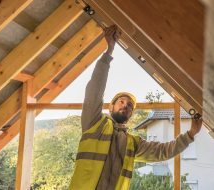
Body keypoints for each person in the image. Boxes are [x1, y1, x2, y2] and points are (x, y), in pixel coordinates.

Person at [69, 25, 202, 190]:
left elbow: (163, 151)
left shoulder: (132, 143)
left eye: (130, 106)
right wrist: (109, 52)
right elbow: (94, 90)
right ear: (110, 107)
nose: (125, 106)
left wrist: (190, 135)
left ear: (131, 114)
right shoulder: (95, 123)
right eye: (121, 102)